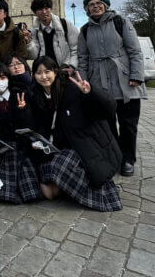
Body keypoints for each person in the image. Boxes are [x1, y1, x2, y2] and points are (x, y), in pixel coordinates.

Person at [29, 57, 122, 212]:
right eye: (39, 73)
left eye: (47, 71)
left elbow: (108, 109)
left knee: (60, 165)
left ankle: (63, 188)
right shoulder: (38, 97)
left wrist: (90, 92)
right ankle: (60, 187)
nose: (43, 76)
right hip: (60, 146)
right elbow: (42, 126)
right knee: (42, 165)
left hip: (90, 147)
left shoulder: (72, 89)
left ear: (56, 72)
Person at [77, 0, 146, 177]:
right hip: (99, 84)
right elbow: (82, 59)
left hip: (125, 81)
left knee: (128, 124)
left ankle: (128, 159)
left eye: (99, 3)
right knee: (106, 126)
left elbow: (135, 51)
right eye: (91, 4)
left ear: (106, 5)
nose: (95, 6)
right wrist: (83, 82)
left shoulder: (121, 22)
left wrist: (137, 75)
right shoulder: (84, 30)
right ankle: (115, 158)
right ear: (87, 9)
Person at [0, 62, 41, 204]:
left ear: (8, 79)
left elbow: (29, 126)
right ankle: (7, 193)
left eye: (2, 77)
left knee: (29, 187)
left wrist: (23, 111)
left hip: (21, 145)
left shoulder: (19, 95)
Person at [27, 0, 79, 67]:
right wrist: (28, 42)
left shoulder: (66, 24)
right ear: (35, 12)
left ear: (51, 9)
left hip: (66, 70)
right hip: (46, 72)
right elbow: (33, 56)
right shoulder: (34, 31)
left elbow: (76, 48)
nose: (44, 12)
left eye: (46, 8)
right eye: (40, 9)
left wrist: (72, 66)